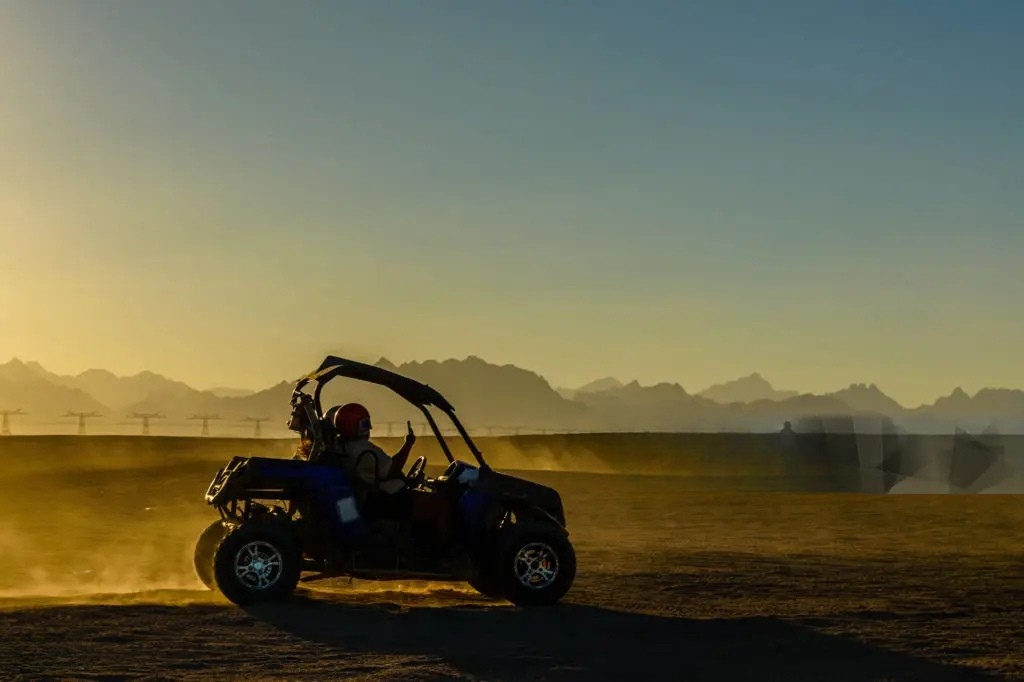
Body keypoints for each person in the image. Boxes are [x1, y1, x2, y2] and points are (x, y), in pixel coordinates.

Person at [331, 403, 453, 548]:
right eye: (364, 424)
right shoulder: (360, 448)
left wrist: (408, 481)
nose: (368, 428)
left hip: (379, 496)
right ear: (352, 425)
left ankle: (420, 546)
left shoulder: (346, 448)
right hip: (387, 500)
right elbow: (391, 469)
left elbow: (385, 474)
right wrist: (408, 445)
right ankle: (442, 557)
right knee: (442, 505)